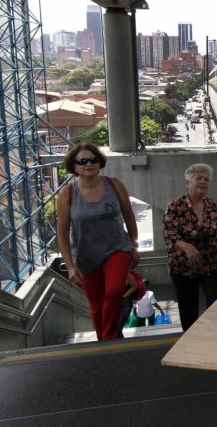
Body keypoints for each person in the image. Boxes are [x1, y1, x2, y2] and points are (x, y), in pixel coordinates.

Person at [57, 143, 140, 341]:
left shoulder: (114, 185)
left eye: (93, 159)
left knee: (113, 292)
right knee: (95, 307)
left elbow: (129, 216)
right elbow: (62, 234)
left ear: (99, 162)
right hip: (86, 256)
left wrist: (134, 244)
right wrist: (70, 266)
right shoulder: (67, 194)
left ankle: (109, 337)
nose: (89, 164)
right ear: (74, 167)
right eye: (82, 161)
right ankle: (102, 341)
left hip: (117, 248)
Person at [163, 163, 217, 331]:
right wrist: (186, 247)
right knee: (189, 309)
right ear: (188, 182)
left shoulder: (211, 205)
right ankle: (189, 343)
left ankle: (213, 336)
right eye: (199, 178)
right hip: (183, 267)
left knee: (215, 303)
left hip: (210, 263)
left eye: (207, 179)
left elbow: (214, 232)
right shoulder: (175, 207)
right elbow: (170, 236)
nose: (203, 181)